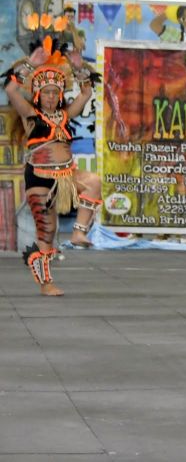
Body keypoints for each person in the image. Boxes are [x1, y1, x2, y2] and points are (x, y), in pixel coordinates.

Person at [2, 37, 100, 295]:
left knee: (93, 182)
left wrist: (80, 68)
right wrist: (28, 64)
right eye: (46, 92)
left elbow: (87, 92)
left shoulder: (66, 114)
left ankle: (79, 233)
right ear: (37, 94)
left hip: (66, 174)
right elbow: (11, 91)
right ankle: (46, 284)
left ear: (59, 95)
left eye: (55, 92)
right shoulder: (30, 114)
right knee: (47, 230)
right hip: (40, 176)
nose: (50, 96)